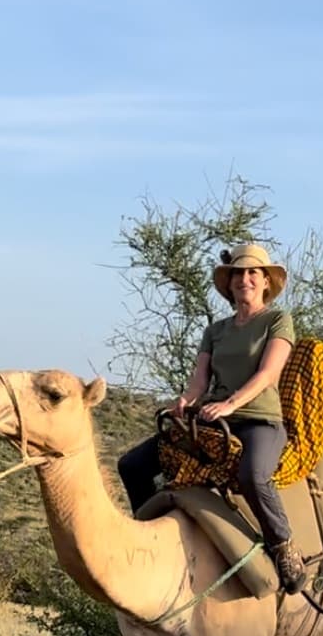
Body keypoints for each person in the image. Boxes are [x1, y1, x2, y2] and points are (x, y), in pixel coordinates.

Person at [117, 242, 307, 595]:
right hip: (213, 416)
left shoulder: (278, 320)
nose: (244, 279)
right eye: (238, 273)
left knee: (253, 475)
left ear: (266, 282)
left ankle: (284, 549)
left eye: (253, 273)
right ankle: (147, 540)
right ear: (229, 283)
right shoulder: (216, 330)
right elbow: (199, 380)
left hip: (258, 420)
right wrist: (186, 400)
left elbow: (268, 374)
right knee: (134, 464)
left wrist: (231, 404)